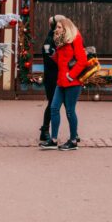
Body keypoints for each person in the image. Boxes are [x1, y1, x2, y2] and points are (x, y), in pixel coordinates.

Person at [40, 15, 86, 151]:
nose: (56, 30)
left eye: (59, 27)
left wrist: (71, 76)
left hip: (73, 83)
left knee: (70, 111)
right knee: (54, 108)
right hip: (61, 82)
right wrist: (53, 55)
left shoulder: (75, 39)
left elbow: (82, 61)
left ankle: (73, 141)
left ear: (66, 28)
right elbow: (61, 61)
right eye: (56, 27)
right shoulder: (60, 41)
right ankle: (53, 140)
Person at [38, 16, 59, 144]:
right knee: (52, 103)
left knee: (65, 104)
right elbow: (49, 60)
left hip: (58, 76)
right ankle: (45, 131)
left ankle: (74, 133)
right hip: (52, 77)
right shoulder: (50, 40)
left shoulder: (58, 39)